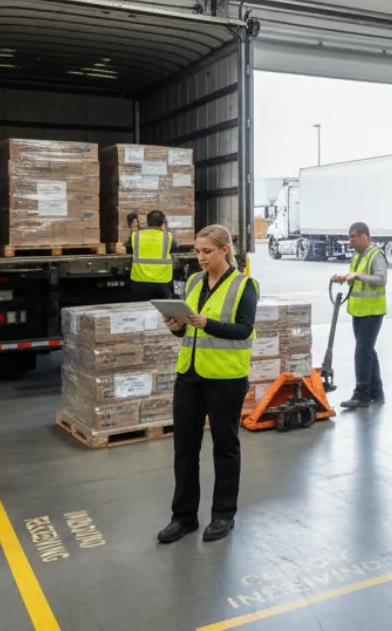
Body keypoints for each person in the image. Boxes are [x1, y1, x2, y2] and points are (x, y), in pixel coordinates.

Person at [157, 224, 258, 545]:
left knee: (225, 448)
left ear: (224, 250)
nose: (200, 257)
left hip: (226, 378)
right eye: (197, 251)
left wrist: (208, 324)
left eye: (207, 251)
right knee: (184, 448)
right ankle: (183, 517)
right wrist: (176, 326)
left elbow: (243, 330)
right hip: (189, 375)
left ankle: (223, 515)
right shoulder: (194, 282)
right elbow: (188, 332)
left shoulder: (245, 285)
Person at [331, 222, 386, 409]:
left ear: (365, 236)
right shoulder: (357, 257)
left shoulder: (376, 255)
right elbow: (355, 280)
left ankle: (362, 393)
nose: (351, 240)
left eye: (354, 236)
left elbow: (381, 279)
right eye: (350, 236)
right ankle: (377, 392)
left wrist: (357, 276)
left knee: (362, 352)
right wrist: (344, 278)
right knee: (368, 350)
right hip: (359, 311)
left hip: (372, 312)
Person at [127, 210, 177, 301]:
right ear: (163, 222)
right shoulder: (168, 236)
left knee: (140, 309)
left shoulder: (136, 235)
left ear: (147, 222)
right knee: (163, 311)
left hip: (140, 280)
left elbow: (129, 247)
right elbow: (175, 247)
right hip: (162, 281)